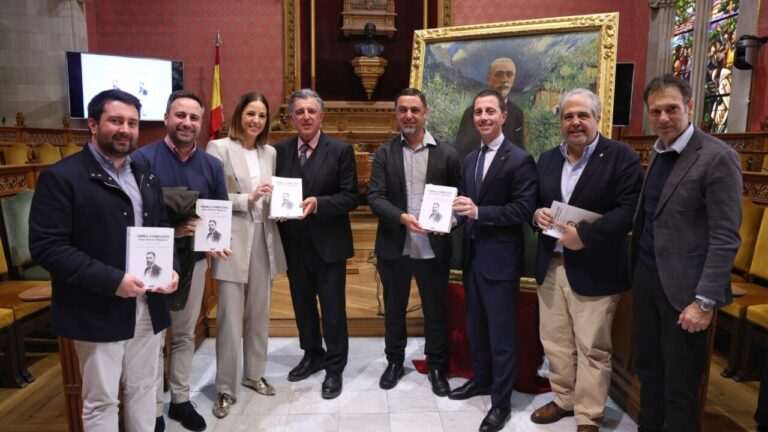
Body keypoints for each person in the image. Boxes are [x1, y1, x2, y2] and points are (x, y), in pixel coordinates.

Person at [29, 89, 178, 432]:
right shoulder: (61, 177)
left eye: (132, 123)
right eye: (116, 121)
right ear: (93, 125)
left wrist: (171, 268)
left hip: (148, 302)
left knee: (145, 389)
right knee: (101, 401)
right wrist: (113, 281)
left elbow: (161, 226)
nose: (125, 129)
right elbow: (48, 247)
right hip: (95, 306)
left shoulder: (145, 173)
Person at [630, 74, 741, 432]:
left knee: (680, 386)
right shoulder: (659, 151)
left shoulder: (717, 157)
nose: (663, 118)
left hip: (686, 292)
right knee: (649, 371)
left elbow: (725, 237)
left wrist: (704, 302)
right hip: (647, 278)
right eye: (656, 111)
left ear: (690, 107)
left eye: (672, 109)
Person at [531, 89, 642, 432]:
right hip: (552, 264)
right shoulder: (548, 158)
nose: (575, 122)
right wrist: (536, 214)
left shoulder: (621, 157)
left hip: (596, 267)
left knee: (592, 346)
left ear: (597, 118)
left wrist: (585, 237)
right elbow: (533, 201)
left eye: (583, 115)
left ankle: (589, 414)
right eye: (568, 116)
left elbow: (629, 210)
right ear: (561, 121)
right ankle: (564, 399)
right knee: (556, 342)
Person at [131, 89, 228, 432]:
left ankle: (180, 401)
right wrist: (174, 230)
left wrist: (216, 239)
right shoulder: (142, 159)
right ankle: (154, 409)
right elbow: (135, 214)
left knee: (185, 334)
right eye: (181, 115)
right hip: (153, 259)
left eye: (194, 117)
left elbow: (218, 211)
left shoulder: (212, 165)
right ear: (167, 118)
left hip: (195, 261)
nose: (187, 123)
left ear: (202, 123)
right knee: (155, 337)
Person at [450, 90, 537, 432]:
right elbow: (465, 205)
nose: (483, 117)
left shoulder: (519, 159)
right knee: (476, 328)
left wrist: (479, 212)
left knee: (501, 336)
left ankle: (500, 403)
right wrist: (452, 220)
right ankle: (481, 379)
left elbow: (523, 209)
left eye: (490, 111)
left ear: (503, 116)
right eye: (478, 112)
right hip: (472, 259)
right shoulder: (471, 159)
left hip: (501, 263)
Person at [367, 87, 461, 395]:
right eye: (403, 110)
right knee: (394, 310)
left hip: (434, 248)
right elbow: (375, 197)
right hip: (395, 245)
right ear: (396, 113)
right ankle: (394, 362)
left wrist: (452, 221)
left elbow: (460, 200)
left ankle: (436, 365)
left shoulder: (447, 154)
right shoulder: (384, 153)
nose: (408, 115)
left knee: (435, 310)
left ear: (425, 113)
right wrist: (401, 217)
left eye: (414, 110)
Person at [206, 91, 288, 418]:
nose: (256, 120)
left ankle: (254, 374)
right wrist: (246, 199)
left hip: (264, 238)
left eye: (262, 115)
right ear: (239, 114)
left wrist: (280, 207)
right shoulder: (219, 148)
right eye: (251, 113)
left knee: (259, 312)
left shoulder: (270, 152)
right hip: (232, 239)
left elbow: (271, 196)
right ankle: (225, 388)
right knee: (229, 317)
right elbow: (210, 197)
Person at [274, 89, 358, 399]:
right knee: (302, 305)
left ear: (321, 116)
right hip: (294, 244)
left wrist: (319, 203)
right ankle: (312, 354)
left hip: (329, 245)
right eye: (300, 112)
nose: (306, 117)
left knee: (333, 309)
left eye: (311, 111)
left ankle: (335, 366)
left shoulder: (340, 150)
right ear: (291, 118)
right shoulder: (279, 152)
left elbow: (351, 197)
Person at [454, 57, 526, 160]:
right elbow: (461, 152)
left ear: (514, 80)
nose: (504, 80)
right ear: (489, 79)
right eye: (499, 74)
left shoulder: (517, 113)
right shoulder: (470, 113)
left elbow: (519, 149)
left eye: (509, 75)